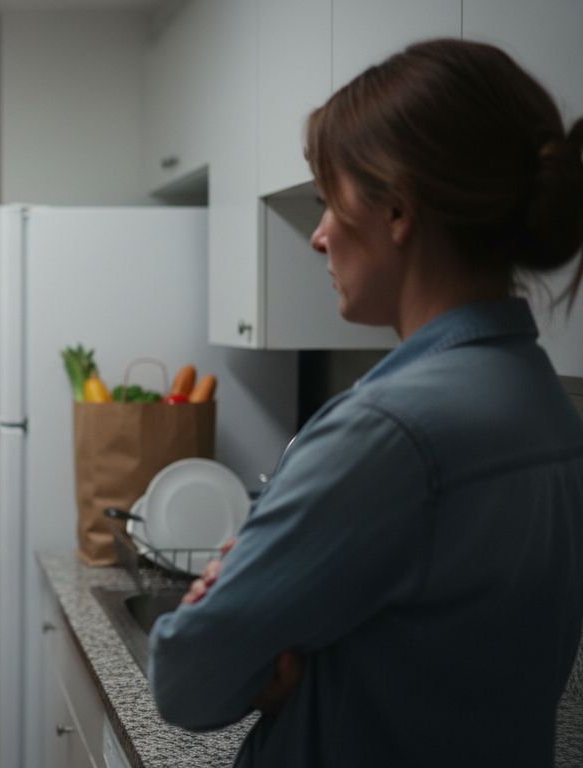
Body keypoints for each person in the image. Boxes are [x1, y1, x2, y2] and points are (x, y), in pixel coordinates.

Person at [147, 38, 583, 767]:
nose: (317, 237)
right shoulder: (544, 407)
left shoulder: (389, 432)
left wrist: (272, 656)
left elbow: (187, 679)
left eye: (327, 200)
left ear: (398, 211)